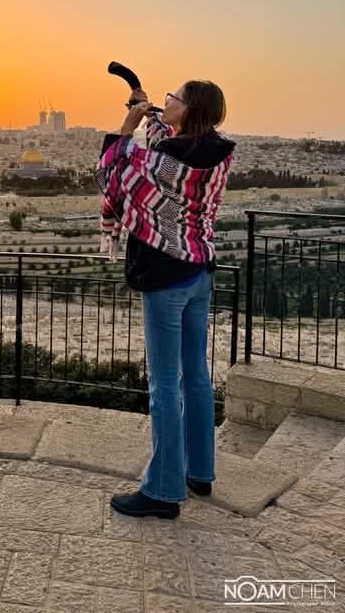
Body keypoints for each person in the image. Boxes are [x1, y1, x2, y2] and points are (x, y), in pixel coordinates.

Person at [94, 81, 235, 519]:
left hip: (166, 277)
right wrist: (149, 111)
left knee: (163, 385)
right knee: (195, 374)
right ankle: (199, 471)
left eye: (173, 96)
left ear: (189, 107)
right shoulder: (216, 152)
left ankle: (163, 490)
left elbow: (111, 173)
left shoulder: (160, 161)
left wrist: (129, 123)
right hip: (200, 273)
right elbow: (169, 147)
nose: (166, 100)